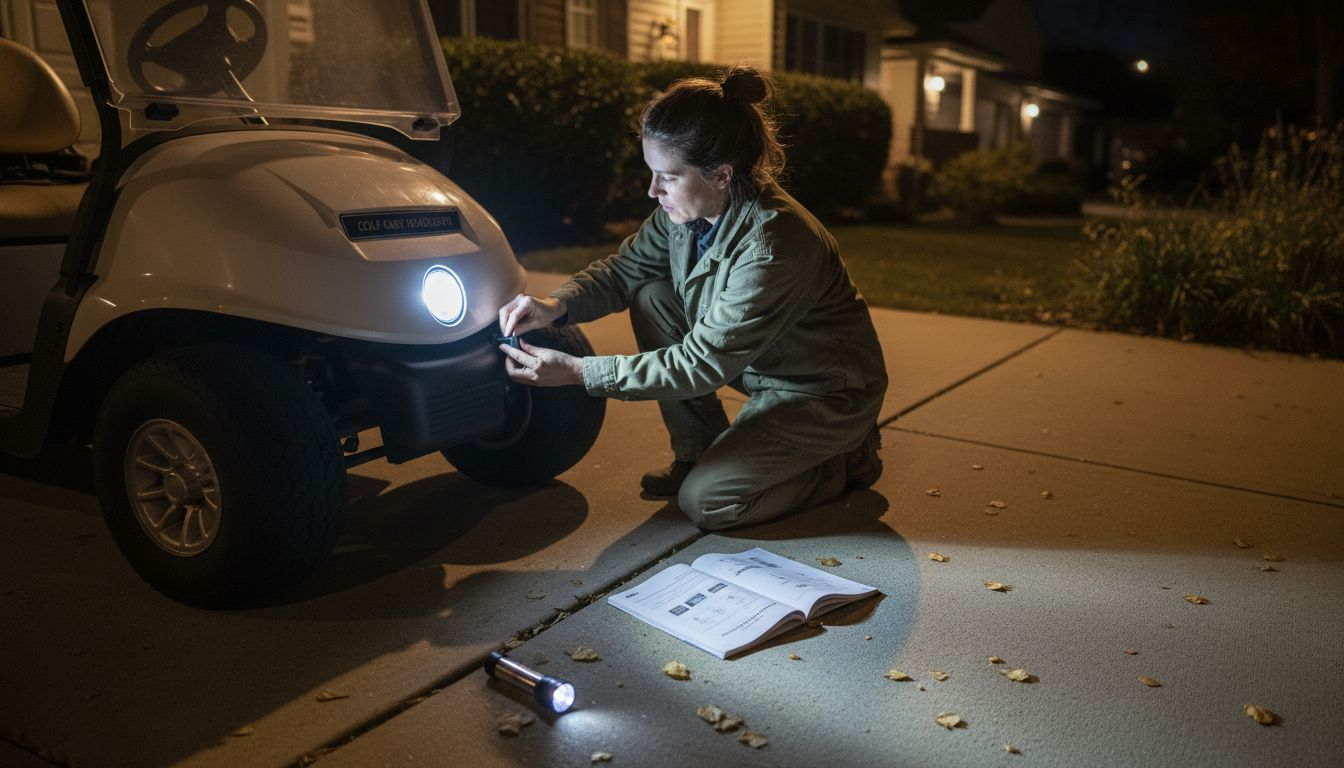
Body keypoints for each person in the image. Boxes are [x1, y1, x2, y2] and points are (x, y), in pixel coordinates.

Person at [495, 65, 887, 531]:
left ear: (721, 175)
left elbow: (700, 365)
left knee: (708, 503)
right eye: (652, 173)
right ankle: (698, 451)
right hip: (764, 366)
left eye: (667, 177)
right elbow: (626, 271)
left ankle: (843, 460)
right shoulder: (687, 210)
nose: (652, 190)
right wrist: (555, 306)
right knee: (652, 295)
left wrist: (579, 372)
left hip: (820, 391)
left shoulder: (774, 248)